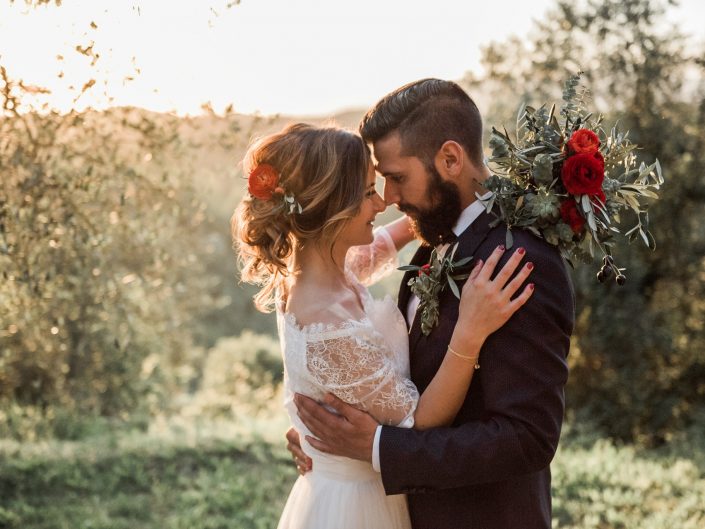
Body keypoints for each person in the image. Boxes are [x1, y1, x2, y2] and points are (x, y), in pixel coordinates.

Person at [289, 79, 576, 529]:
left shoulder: (518, 262)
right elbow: (396, 381)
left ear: (450, 159)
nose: (390, 199)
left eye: (398, 178)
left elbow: (528, 439)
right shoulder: (430, 246)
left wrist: (377, 449)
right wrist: (328, 433)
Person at [233, 122, 535, 529]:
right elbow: (420, 419)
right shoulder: (329, 323)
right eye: (367, 193)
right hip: (355, 508)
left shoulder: (328, 270)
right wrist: (470, 332)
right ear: (330, 210)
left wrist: (460, 203)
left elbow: (394, 238)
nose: (382, 204)